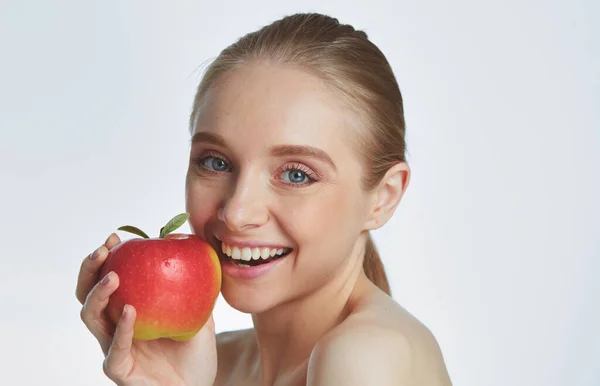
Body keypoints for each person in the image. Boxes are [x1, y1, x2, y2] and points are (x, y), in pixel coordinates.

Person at [76, 12, 453, 386]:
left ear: (383, 198)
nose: (237, 213)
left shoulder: (365, 356)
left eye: (296, 174)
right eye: (216, 162)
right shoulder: (219, 365)